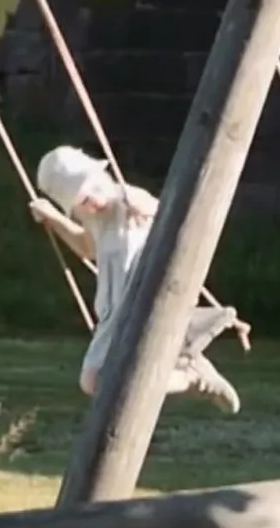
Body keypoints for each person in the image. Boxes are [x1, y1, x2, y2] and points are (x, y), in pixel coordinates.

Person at [29, 146, 245, 412]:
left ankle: (194, 378)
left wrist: (148, 208)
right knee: (92, 381)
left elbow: (170, 214)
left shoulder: (127, 199)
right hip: (114, 307)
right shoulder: (93, 217)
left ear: (99, 177)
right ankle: (187, 368)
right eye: (82, 202)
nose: (93, 202)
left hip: (140, 298)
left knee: (119, 380)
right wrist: (54, 218)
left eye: (92, 192)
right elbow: (88, 248)